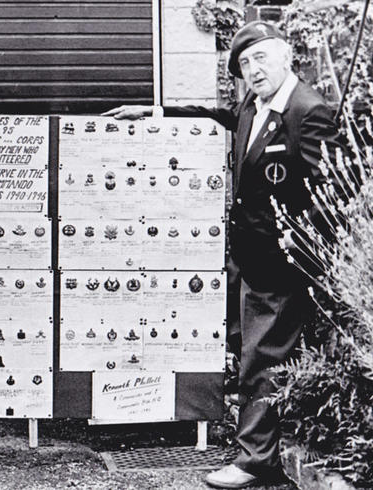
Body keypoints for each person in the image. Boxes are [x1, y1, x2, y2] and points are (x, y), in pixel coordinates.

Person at [103, 21, 341, 488]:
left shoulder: (307, 111)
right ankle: (257, 446)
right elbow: (221, 116)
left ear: (286, 55)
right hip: (248, 260)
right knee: (250, 354)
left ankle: (256, 462)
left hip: (280, 267)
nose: (253, 71)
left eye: (261, 59)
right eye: (245, 64)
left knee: (263, 359)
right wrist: (156, 112)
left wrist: (306, 260)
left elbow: (326, 194)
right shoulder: (255, 106)